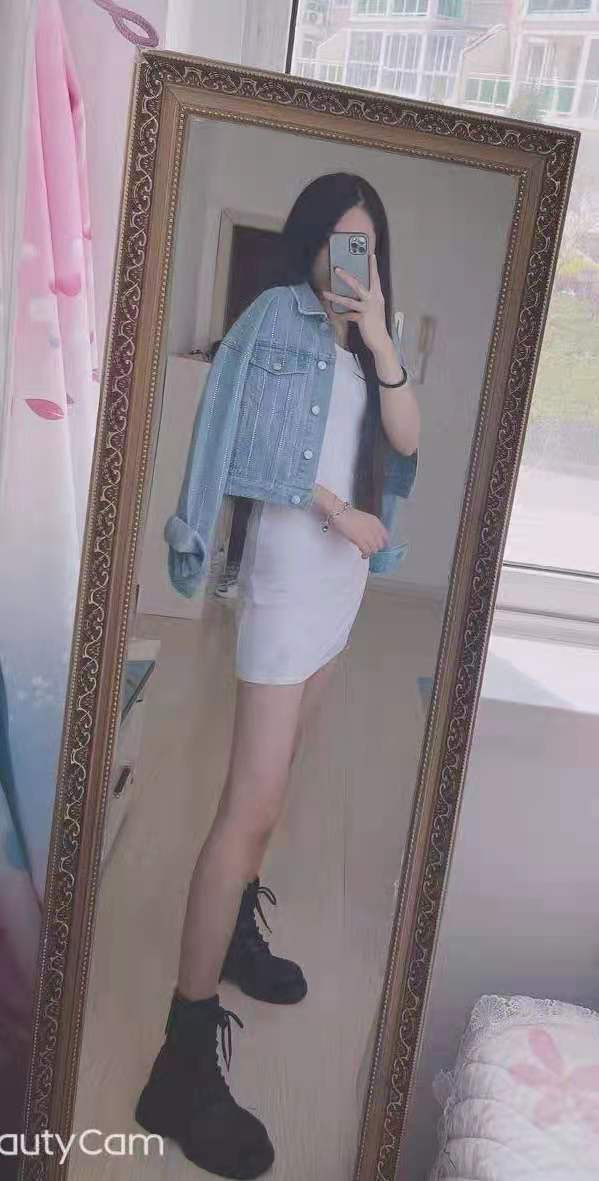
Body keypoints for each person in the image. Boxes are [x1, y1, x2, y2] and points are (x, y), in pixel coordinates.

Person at [135, 173, 420, 1178]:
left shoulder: (370, 344)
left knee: (282, 782)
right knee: (245, 809)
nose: (350, 261)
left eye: (365, 246)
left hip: (340, 588)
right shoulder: (272, 320)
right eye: (337, 241)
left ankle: (235, 942)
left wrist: (379, 339)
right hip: (288, 582)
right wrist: (339, 512)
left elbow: (407, 440)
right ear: (307, 243)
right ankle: (179, 1059)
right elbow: (245, 450)